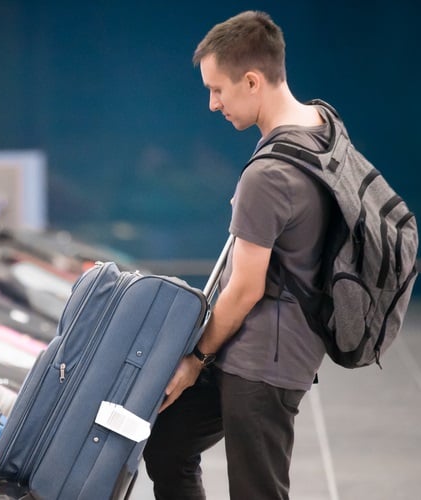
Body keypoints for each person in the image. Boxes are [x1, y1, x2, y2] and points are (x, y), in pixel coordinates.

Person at [143, 10, 335, 500]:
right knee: (168, 444)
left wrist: (195, 359)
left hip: (265, 361)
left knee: (256, 490)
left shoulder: (268, 174)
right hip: (257, 343)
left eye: (218, 90)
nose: (212, 104)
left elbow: (246, 287)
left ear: (252, 81)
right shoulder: (323, 124)